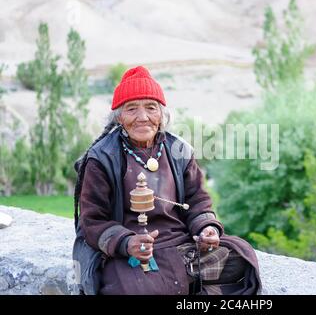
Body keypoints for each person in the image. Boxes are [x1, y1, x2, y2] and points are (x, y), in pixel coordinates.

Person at [73, 66, 261, 295]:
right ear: (119, 117)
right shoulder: (102, 158)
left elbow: (198, 200)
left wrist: (206, 228)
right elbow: (92, 221)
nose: (143, 118)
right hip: (130, 252)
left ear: (162, 114)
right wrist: (127, 243)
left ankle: (176, 276)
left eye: (151, 108)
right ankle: (181, 280)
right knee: (131, 288)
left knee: (241, 258)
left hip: (181, 247)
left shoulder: (178, 150)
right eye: (132, 109)